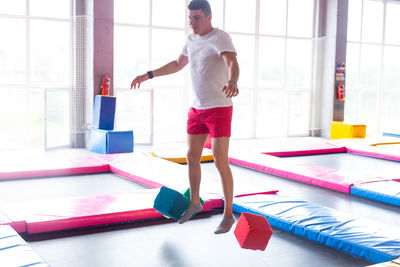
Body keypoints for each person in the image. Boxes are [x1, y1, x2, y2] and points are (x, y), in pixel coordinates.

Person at [130, 0, 239, 234]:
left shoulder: (220, 37)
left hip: (219, 107)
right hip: (197, 109)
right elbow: (178, 64)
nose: (192, 23)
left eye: (197, 18)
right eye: (190, 18)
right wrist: (148, 75)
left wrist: (233, 81)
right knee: (191, 156)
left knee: (220, 160)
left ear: (209, 16)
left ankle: (228, 213)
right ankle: (195, 202)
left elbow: (232, 62)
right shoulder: (190, 40)